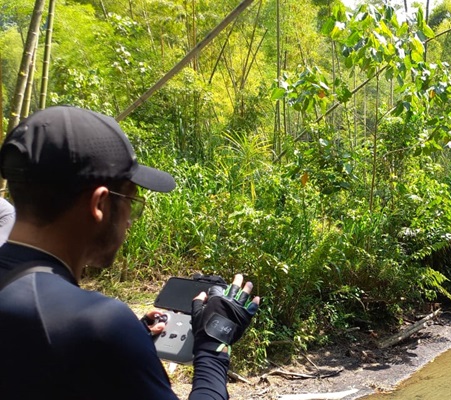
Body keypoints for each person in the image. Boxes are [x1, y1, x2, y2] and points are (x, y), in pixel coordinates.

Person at [0, 106, 259, 400]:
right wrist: (214, 344)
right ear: (100, 204)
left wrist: (129, 341)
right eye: (132, 203)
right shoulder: (96, 325)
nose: (131, 221)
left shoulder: (39, 311)